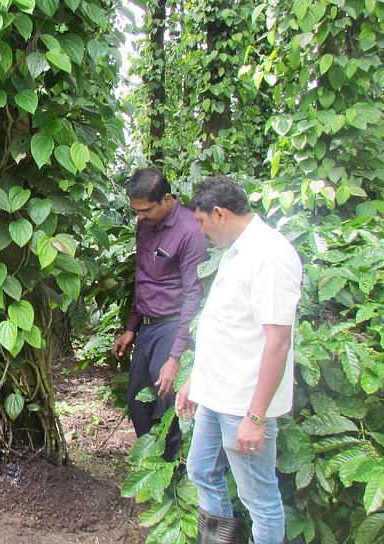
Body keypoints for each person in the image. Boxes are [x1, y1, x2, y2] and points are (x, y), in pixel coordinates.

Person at [175, 176, 302, 544]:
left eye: (201, 222)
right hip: (217, 395)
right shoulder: (234, 251)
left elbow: (278, 342)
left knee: (259, 499)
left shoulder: (270, 255)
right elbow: (224, 327)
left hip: (243, 402)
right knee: (202, 471)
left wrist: (256, 416)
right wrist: (195, 381)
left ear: (220, 213)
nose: (200, 231)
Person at [112, 168, 210, 460]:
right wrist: (132, 327)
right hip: (148, 328)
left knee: (170, 404)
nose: (139, 217)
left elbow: (193, 294)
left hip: (174, 326)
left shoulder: (191, 231)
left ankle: (174, 475)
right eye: (136, 212)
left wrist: (176, 357)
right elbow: (143, 278)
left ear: (166, 199)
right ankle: (154, 463)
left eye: (145, 211)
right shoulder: (145, 225)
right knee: (138, 402)